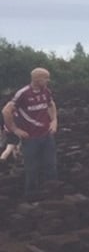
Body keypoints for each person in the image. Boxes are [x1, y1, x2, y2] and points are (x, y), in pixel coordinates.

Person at [2, 68, 58, 198]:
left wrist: (54, 120)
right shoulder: (23, 93)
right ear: (37, 79)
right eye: (46, 78)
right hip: (31, 137)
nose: (48, 80)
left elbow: (51, 104)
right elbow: (6, 111)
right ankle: (31, 197)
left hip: (46, 135)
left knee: (51, 166)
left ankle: (52, 194)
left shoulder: (46, 91)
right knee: (31, 169)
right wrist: (15, 129)